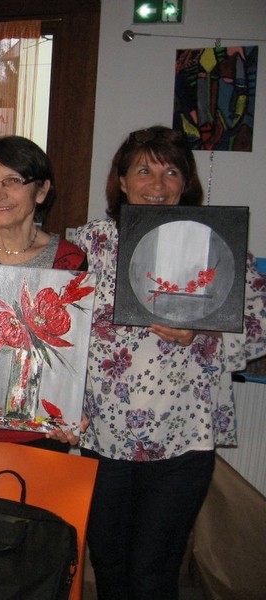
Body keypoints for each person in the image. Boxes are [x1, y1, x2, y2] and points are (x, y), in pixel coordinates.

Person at [73, 125, 266, 599]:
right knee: (110, 566)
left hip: (182, 437)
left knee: (153, 573)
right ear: (122, 181)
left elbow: (260, 323)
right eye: (144, 170)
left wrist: (204, 331)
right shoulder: (91, 243)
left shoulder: (215, 243)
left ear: (186, 183)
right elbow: (57, 318)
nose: (157, 185)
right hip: (103, 435)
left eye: (171, 172)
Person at [0, 135, 86, 448]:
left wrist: (70, 412)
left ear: (42, 190)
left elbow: (72, 360)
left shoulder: (69, 261)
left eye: (12, 181)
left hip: (38, 434)